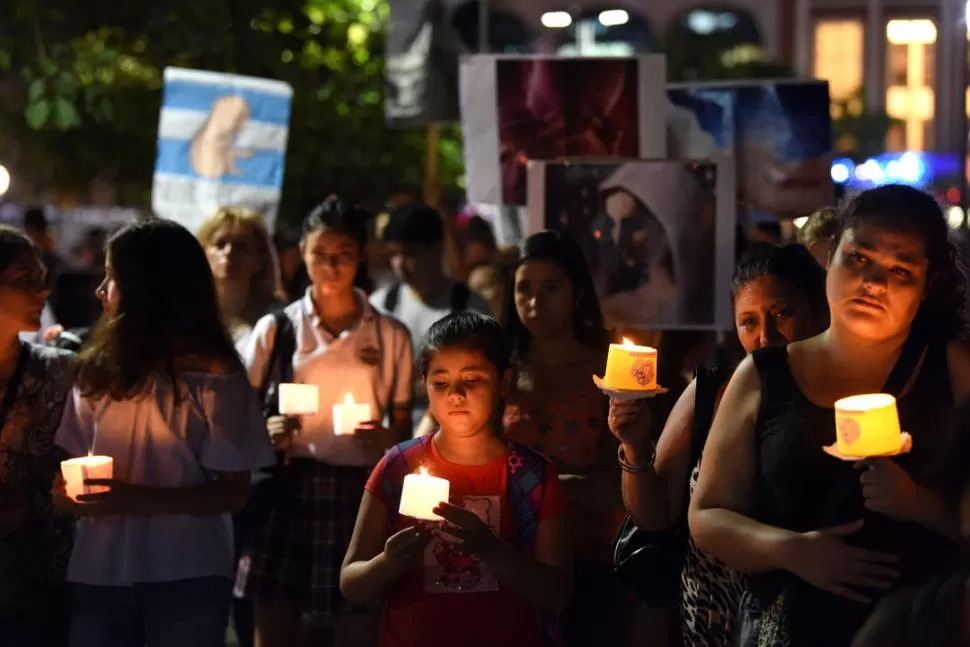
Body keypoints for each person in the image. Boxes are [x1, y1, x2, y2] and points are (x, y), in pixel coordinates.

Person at [689, 185, 970, 647]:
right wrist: (793, 551)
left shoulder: (954, 372)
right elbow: (708, 516)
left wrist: (920, 503)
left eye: (900, 269)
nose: (874, 283)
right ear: (830, 257)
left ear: (927, 285)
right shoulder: (763, 376)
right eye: (859, 258)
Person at [51, 218, 275, 647]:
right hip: (99, 571)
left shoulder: (215, 377)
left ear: (144, 289)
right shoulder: (96, 373)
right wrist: (63, 495)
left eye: (111, 278)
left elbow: (233, 491)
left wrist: (138, 499)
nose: (100, 291)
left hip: (186, 572)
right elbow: (68, 468)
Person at [611, 243, 829, 646]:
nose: (766, 337)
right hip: (713, 618)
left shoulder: (844, 400)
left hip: (812, 611)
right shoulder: (710, 394)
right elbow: (655, 516)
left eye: (782, 313)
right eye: (749, 321)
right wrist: (636, 448)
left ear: (819, 309)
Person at [235, 196, 414, 647]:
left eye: (343, 256)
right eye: (320, 255)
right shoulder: (278, 329)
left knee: (356, 616)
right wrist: (266, 428)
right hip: (287, 485)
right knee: (276, 621)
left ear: (361, 258)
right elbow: (235, 413)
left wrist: (382, 437)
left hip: (361, 491)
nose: (330, 267)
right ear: (302, 253)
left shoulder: (388, 334)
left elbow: (401, 427)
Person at [340, 311, 572, 647]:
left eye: (472, 379)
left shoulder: (531, 477)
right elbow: (351, 584)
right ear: (425, 384)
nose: (456, 395)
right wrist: (388, 563)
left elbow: (557, 594)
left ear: (504, 381)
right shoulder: (397, 467)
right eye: (441, 382)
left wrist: (488, 547)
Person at [498, 230, 623, 646]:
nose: (535, 303)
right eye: (524, 289)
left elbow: (618, 481)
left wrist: (538, 491)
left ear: (577, 293)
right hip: (512, 555)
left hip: (592, 555)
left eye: (551, 288)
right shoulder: (501, 372)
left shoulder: (611, 367)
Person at [0, 226, 75, 647]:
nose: (41, 292)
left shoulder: (58, 372)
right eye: (23, 280)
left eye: (41, 279)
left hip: (37, 584)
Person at [370, 203, 489, 429]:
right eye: (394, 254)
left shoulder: (468, 308)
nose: (400, 264)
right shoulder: (381, 305)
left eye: (409, 253)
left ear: (436, 248)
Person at [197, 206, 285, 355]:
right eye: (220, 244)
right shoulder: (185, 315)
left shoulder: (279, 322)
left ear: (259, 259)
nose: (229, 252)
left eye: (240, 247)